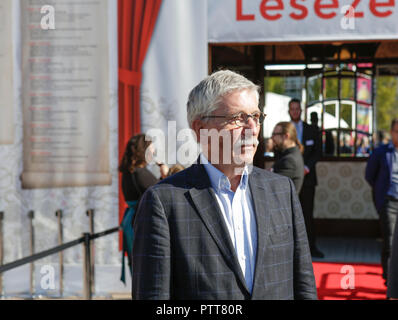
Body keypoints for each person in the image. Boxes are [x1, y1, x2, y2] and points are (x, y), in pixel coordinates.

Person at [132, 70, 317, 300]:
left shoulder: (282, 190)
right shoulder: (164, 202)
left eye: (256, 116)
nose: (252, 128)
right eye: (238, 118)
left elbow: (304, 286)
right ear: (201, 129)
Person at [118, 134, 169, 284]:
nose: (153, 153)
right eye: (151, 150)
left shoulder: (128, 171)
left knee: (137, 265)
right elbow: (159, 193)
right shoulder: (141, 173)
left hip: (131, 220)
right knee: (146, 266)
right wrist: (165, 174)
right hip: (140, 221)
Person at [288, 98, 323, 258]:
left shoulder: (312, 129)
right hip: (289, 180)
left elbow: (317, 152)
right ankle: (292, 250)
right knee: (290, 214)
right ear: (289, 111)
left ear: (301, 111)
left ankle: (311, 248)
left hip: (308, 179)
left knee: (307, 214)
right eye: (292, 109)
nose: (295, 111)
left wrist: (306, 167)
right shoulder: (285, 129)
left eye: (297, 109)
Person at [365, 118, 398, 285]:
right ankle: (389, 279)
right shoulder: (381, 152)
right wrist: (381, 197)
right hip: (388, 202)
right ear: (392, 132)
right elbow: (369, 176)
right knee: (390, 241)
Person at [271, 122, 305, 194]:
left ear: (286, 136)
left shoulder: (289, 160)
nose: (272, 138)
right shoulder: (291, 153)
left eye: (274, 134)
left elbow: (271, 186)